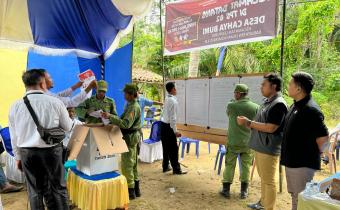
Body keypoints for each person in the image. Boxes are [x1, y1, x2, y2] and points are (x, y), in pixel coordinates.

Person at [8, 69, 73, 210]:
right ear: (42, 83)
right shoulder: (55, 103)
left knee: (35, 192)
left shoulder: (15, 106)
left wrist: (18, 157)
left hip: (27, 153)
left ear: (25, 84)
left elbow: (14, 136)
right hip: (52, 152)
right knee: (58, 188)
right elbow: (68, 127)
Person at [237, 73, 288, 210]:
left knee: (269, 181)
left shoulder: (279, 104)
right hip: (261, 146)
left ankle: (268, 207)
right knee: (264, 179)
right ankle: (263, 203)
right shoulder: (268, 101)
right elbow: (262, 122)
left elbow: (271, 127)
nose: (261, 87)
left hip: (268, 147)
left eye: (264, 85)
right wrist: (249, 123)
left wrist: (249, 122)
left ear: (274, 86)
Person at [281, 72, 329, 210]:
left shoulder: (311, 109)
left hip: (302, 164)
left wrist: (320, 155)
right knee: (295, 196)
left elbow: (323, 138)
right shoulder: (295, 105)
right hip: (291, 161)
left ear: (298, 89)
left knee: (300, 197)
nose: (288, 86)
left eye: (290, 84)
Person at [101, 84, 142, 200]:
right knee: (133, 164)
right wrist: (111, 117)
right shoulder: (130, 105)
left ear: (130, 95)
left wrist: (110, 117)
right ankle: (136, 190)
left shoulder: (133, 107)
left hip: (130, 138)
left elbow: (125, 124)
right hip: (132, 137)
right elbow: (123, 119)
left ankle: (130, 192)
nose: (124, 95)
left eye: (125, 93)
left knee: (127, 165)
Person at [220, 84, 259, 199]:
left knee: (229, 164)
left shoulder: (231, 106)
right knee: (246, 166)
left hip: (233, 141)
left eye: (235, 93)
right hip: (248, 142)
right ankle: (244, 191)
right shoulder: (256, 107)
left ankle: (226, 190)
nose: (234, 94)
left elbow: (228, 114)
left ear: (239, 94)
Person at [160, 82, 187, 175]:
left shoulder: (167, 98)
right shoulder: (173, 101)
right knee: (174, 149)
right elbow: (173, 118)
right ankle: (176, 169)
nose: (176, 90)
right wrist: (175, 131)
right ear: (172, 89)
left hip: (163, 125)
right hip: (168, 127)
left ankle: (165, 166)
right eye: (175, 88)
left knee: (166, 147)